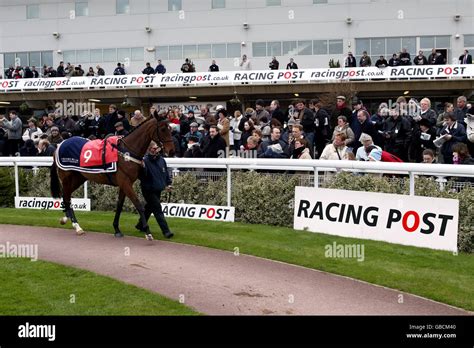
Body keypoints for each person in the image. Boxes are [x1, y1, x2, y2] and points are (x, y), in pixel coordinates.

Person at [137, 141, 174, 239]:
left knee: (149, 208)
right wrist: (143, 167)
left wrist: (169, 184)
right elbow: (142, 176)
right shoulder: (144, 161)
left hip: (158, 188)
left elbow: (165, 173)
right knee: (157, 209)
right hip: (148, 189)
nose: (156, 150)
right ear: (149, 149)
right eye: (153, 148)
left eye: (157, 148)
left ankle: (140, 225)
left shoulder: (162, 160)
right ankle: (166, 231)